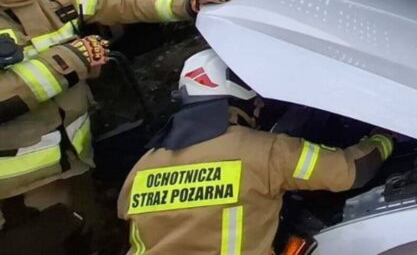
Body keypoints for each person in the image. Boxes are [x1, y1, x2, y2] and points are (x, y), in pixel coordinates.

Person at [0, 0, 234, 253]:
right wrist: (69, 62)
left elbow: (122, 2)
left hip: (74, 166)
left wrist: (188, 1)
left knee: (86, 237)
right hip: (14, 193)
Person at [118, 50, 393, 254]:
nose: (260, 108)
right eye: (257, 102)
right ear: (239, 97)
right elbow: (350, 172)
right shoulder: (265, 151)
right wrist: (385, 137)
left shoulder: (140, 169)